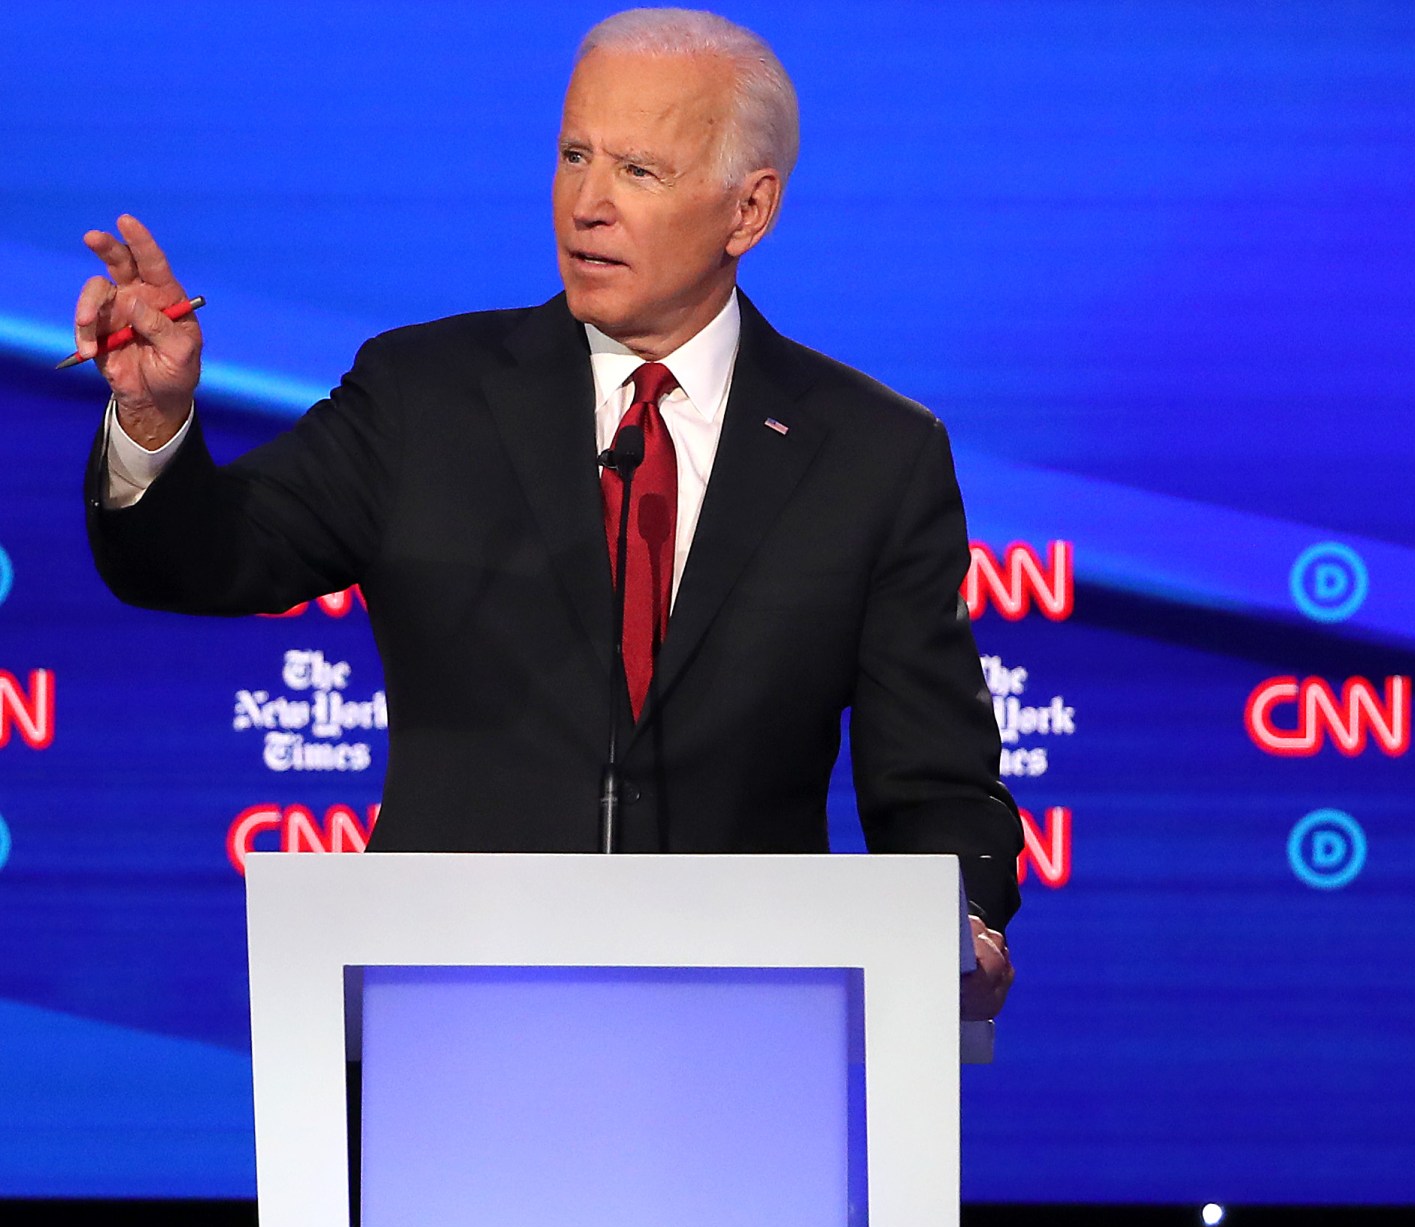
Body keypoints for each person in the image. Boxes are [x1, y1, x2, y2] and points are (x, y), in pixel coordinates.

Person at [70, 8, 1017, 1019]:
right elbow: (205, 558)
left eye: (638, 171)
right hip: (444, 1015)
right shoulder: (424, 397)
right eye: (574, 156)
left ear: (749, 211)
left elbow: (933, 777)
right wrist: (155, 419)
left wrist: (961, 918)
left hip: (750, 1029)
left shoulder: (872, 454)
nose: (585, 205)